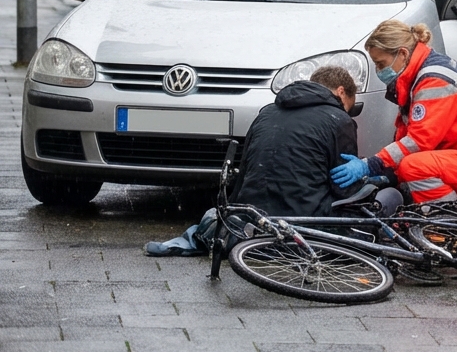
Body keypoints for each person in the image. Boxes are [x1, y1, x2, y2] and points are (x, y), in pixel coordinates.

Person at [144, 66, 360, 256]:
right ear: (341, 92)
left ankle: (212, 236)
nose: (345, 111)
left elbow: (245, 171)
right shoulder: (339, 119)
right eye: (348, 105)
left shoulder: (267, 113)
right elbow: (343, 187)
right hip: (303, 224)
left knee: (214, 218)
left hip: (252, 219)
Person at [331, 20, 457, 207]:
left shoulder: (434, 79)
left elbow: (419, 142)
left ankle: (451, 228)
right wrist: (389, 174)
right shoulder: (420, 76)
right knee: (411, 167)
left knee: (416, 167)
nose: (378, 70)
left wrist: (370, 165)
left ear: (402, 54)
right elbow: (407, 140)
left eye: (381, 64)